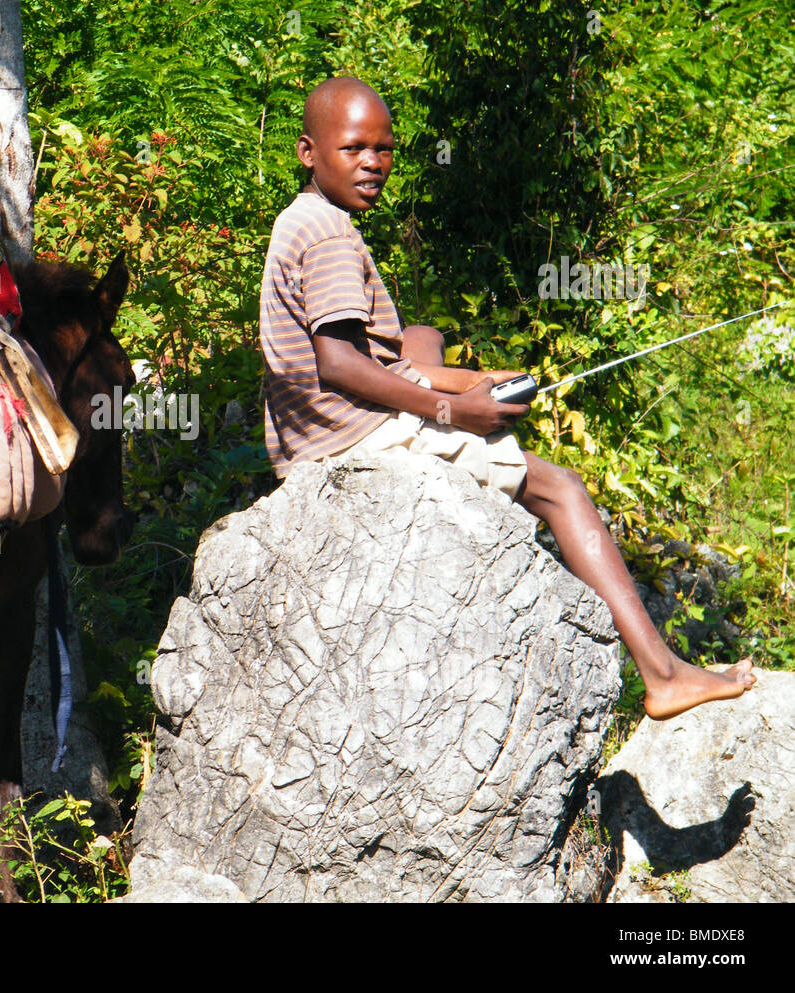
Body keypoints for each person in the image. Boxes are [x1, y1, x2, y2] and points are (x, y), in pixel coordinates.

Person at [259, 75, 756, 720]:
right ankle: (663, 675)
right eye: (354, 148)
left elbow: (365, 352)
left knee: (424, 335)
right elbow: (339, 363)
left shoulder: (306, 219)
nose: (374, 163)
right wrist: (451, 411)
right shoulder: (327, 235)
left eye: (384, 150)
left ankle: (470, 383)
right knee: (561, 489)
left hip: (320, 428)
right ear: (308, 152)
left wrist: (464, 382)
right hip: (350, 435)